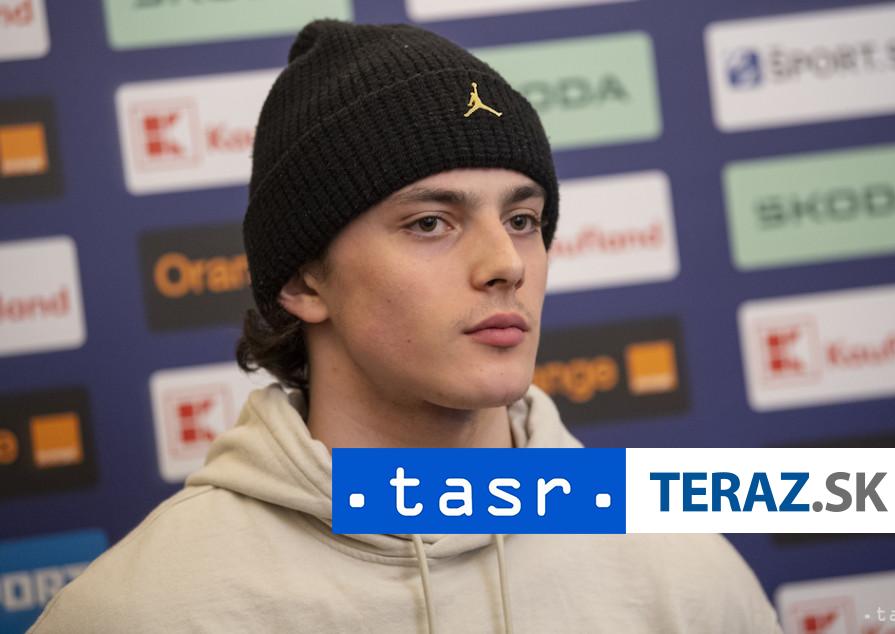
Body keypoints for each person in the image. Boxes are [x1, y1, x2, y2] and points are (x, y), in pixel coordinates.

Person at [30, 19, 784, 634]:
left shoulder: (683, 573)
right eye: (431, 223)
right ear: (303, 281)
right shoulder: (140, 612)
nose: (506, 263)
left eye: (523, 219)